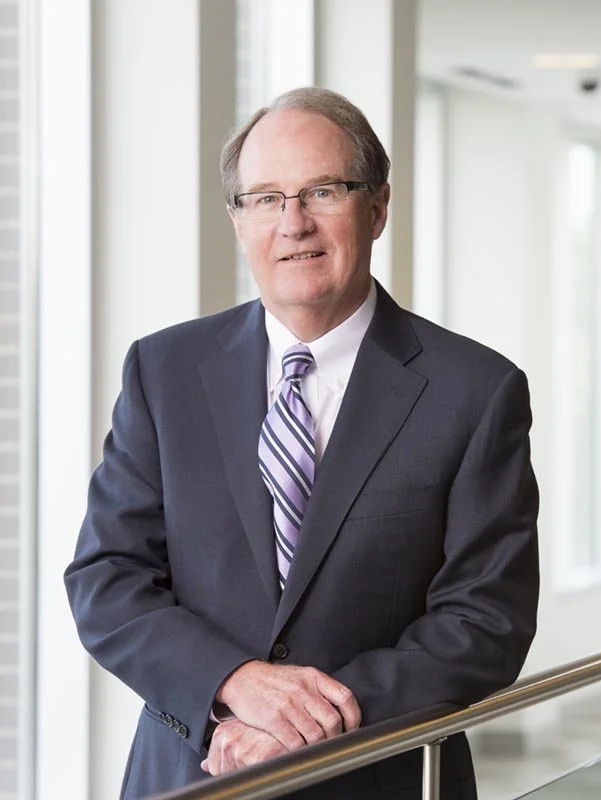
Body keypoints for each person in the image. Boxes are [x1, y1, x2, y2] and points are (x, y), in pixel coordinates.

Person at [65, 87, 539, 800]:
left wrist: (305, 720)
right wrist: (233, 687)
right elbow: (107, 579)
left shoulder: (474, 390)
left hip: (381, 778)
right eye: (265, 198)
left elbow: (485, 620)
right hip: (195, 773)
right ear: (237, 220)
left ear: (377, 207)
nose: (294, 223)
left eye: (322, 190)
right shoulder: (162, 372)